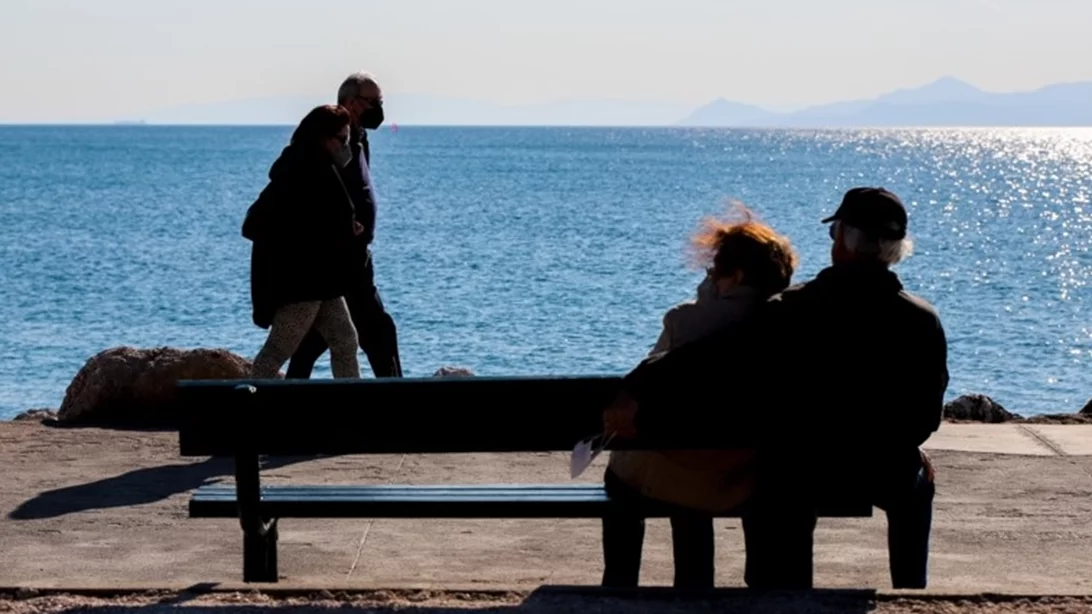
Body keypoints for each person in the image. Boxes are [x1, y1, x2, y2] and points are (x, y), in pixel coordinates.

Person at [604, 187, 948, 590]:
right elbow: (925, 418)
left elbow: (713, 356)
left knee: (783, 480)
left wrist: (641, 380)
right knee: (918, 477)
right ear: (895, 249)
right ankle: (908, 587)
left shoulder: (794, 308)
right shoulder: (923, 320)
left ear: (842, 240)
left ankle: (781, 588)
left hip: (803, 465)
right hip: (882, 467)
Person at [601, 207, 799, 590]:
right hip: (742, 472)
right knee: (692, 477)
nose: (707, 279)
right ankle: (695, 589)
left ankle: (619, 585)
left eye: (712, 272)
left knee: (629, 473)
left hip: (683, 470)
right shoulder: (785, 325)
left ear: (735, 276)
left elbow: (641, 399)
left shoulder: (684, 322)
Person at [285, 71, 403, 379]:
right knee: (378, 333)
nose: (379, 106)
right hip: (341, 260)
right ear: (352, 103)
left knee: (316, 339)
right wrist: (342, 225)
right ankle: (400, 406)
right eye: (373, 101)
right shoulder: (331, 142)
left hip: (355, 258)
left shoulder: (359, 140)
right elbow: (317, 191)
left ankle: (285, 401)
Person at [242, 104, 363, 379]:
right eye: (342, 140)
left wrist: (344, 227)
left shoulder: (309, 167)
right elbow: (303, 224)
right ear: (323, 138)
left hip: (321, 281)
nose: (347, 147)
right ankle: (247, 409)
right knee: (277, 351)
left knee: (345, 340)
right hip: (303, 283)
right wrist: (342, 229)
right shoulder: (305, 171)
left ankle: (353, 408)